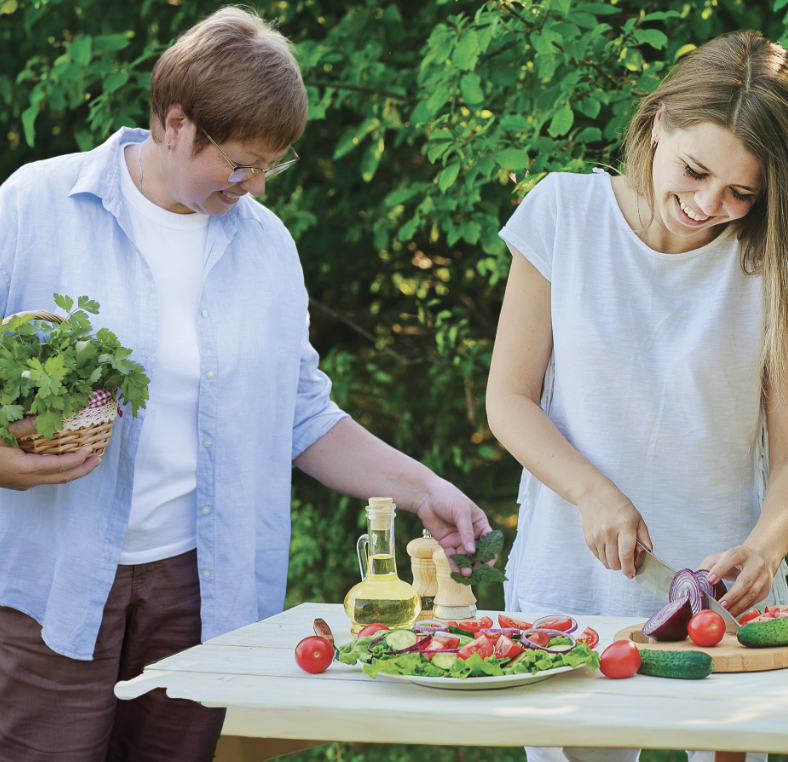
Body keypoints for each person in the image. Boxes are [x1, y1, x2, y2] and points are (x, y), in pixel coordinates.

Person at [0, 8, 491, 762]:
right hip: (54, 581)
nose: (256, 185)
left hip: (203, 592)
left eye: (271, 164)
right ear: (174, 123)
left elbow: (301, 416)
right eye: (238, 162)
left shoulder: (267, 248)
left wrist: (421, 487)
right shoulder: (35, 205)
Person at [486, 30, 788, 762]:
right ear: (658, 125)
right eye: (694, 170)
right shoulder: (564, 212)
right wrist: (593, 493)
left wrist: (766, 545)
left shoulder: (769, 261)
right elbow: (509, 400)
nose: (708, 203)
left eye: (740, 192)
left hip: (726, 613)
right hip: (570, 588)